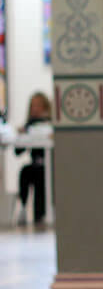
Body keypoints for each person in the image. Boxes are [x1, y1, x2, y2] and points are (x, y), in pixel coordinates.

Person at [14, 92, 51, 225]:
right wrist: (21, 136)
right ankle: (23, 207)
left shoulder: (51, 124)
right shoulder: (28, 125)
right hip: (35, 165)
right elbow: (18, 151)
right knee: (25, 171)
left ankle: (40, 216)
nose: (35, 109)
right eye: (33, 106)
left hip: (50, 166)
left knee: (42, 175)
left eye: (38, 106)